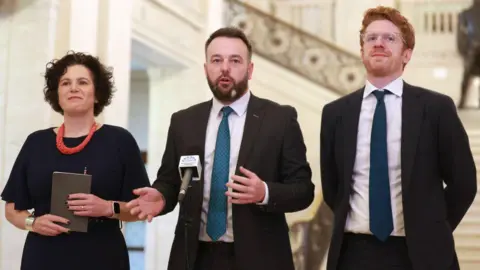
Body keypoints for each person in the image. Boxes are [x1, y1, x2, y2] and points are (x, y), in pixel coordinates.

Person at [126, 27, 315, 270]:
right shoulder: (184, 121)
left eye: (235, 60)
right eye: (217, 60)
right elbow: (171, 181)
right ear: (206, 69)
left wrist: (264, 192)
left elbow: (303, 190)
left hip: (260, 257)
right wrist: (161, 196)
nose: (225, 68)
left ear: (250, 69)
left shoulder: (280, 119)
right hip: (195, 257)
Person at [320, 6, 477, 270]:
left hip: (420, 254)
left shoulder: (436, 108)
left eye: (389, 38)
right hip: (354, 254)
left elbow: (464, 183)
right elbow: (333, 188)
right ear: (362, 51)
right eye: (371, 38)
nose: (378, 43)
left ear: (407, 54)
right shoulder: (335, 113)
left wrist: (433, 228)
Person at [1, 51, 151, 270]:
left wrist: (108, 207)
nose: (73, 88)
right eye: (65, 83)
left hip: (102, 255)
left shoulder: (120, 141)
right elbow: (12, 209)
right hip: (43, 256)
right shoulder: (36, 142)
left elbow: (141, 208)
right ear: (57, 94)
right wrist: (33, 223)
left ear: (97, 93)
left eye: (82, 82)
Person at [457, 0, 480, 109]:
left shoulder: (466, 13)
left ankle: (462, 101)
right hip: (471, 48)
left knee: (466, 76)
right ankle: (462, 101)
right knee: (466, 76)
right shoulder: (466, 14)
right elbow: (461, 33)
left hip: (471, 48)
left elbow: (461, 33)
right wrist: (462, 49)